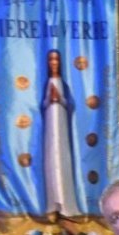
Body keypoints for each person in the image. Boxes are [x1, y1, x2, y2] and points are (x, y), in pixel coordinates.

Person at [41, 48, 81, 217]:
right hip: (51, 123)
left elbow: (70, 103)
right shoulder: (47, 82)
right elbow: (42, 105)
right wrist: (49, 100)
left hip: (62, 124)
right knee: (51, 157)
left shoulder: (63, 83)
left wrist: (60, 99)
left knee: (62, 157)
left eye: (56, 59)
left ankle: (65, 201)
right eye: (51, 59)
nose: (54, 62)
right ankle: (53, 201)